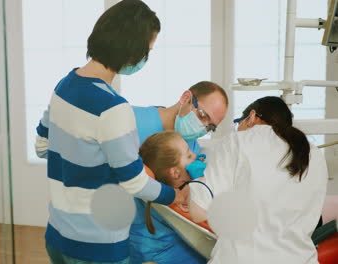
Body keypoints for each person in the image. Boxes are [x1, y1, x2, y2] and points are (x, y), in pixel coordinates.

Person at [34, 1, 185, 263]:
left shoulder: (63, 85)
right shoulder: (113, 108)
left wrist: (82, 163)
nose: (145, 59)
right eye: (147, 51)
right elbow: (134, 182)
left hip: (58, 237)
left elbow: (42, 146)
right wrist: (174, 195)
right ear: (131, 50)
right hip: (97, 247)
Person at [189, 96, 328, 264]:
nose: (238, 128)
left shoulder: (238, 141)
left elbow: (198, 211)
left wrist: (198, 178)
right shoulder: (313, 153)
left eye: (238, 122)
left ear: (252, 117)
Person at [129, 81, 228, 264]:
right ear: (186, 98)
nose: (203, 128)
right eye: (202, 116)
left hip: (176, 234)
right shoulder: (130, 122)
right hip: (139, 238)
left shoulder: (191, 144)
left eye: (210, 127)